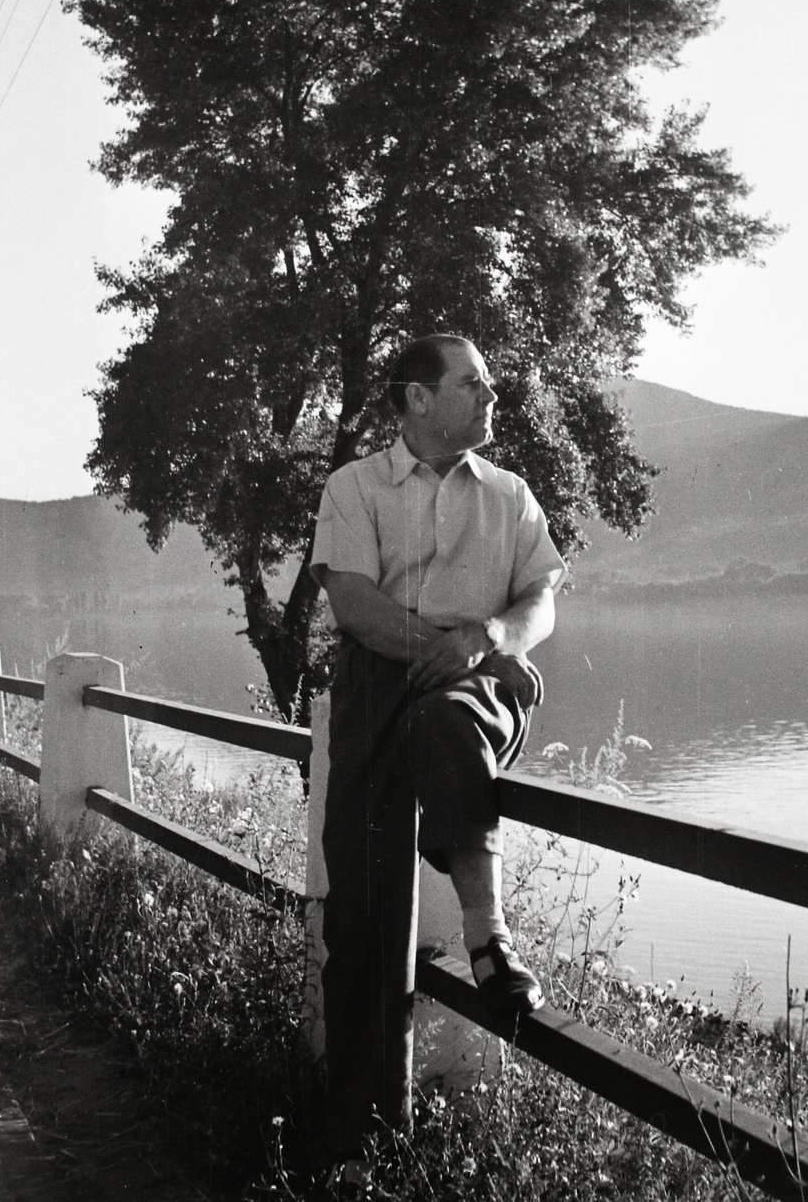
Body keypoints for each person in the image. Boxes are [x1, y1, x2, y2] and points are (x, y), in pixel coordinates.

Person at [309, 333, 566, 1168]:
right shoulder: (353, 488)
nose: (494, 396)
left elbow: (541, 596)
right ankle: (360, 1140)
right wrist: (436, 646)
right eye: (474, 383)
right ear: (418, 398)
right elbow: (352, 603)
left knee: (448, 726)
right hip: (379, 691)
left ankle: (488, 938)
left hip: (481, 688)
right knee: (362, 916)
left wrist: (493, 639)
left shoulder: (511, 495)